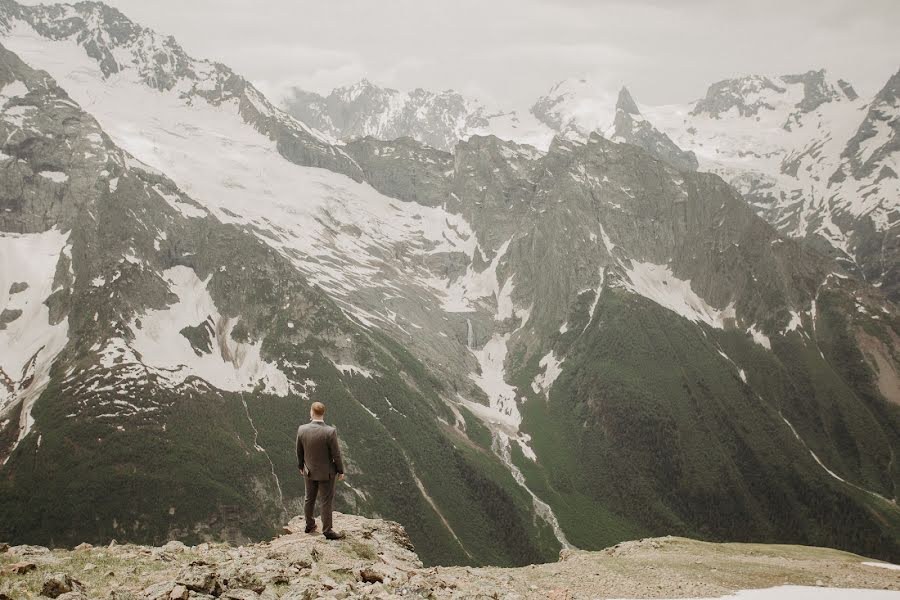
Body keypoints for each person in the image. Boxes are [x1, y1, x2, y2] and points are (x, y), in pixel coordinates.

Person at [295, 401, 346, 540]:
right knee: (326, 501)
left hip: (309, 471)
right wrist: (340, 470)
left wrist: (301, 466)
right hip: (327, 473)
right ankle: (327, 531)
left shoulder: (302, 429)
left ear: (311, 412)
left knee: (309, 499)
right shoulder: (330, 431)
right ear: (323, 413)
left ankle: (309, 525)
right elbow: (336, 454)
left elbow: (299, 451)